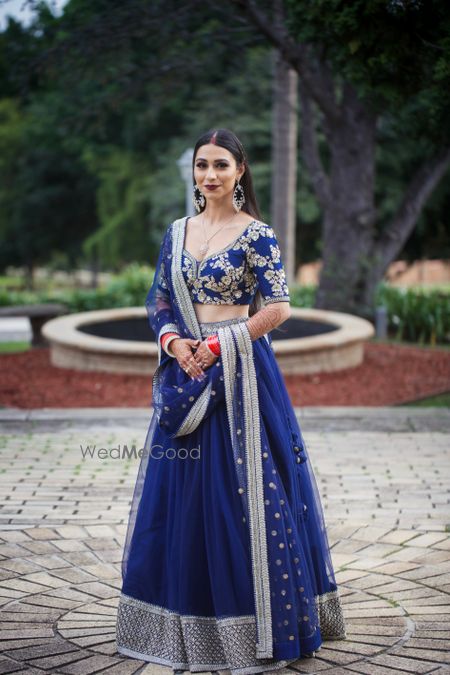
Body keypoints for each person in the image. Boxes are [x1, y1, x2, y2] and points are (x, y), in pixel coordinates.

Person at [115, 128, 346, 675]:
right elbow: (160, 299)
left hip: (241, 376)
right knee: (181, 497)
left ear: (240, 171)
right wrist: (175, 343)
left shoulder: (256, 234)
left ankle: (257, 626)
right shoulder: (178, 232)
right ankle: (184, 620)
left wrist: (220, 344)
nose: (210, 175)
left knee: (243, 495)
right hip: (187, 369)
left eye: (221, 164)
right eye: (201, 165)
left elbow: (280, 307)